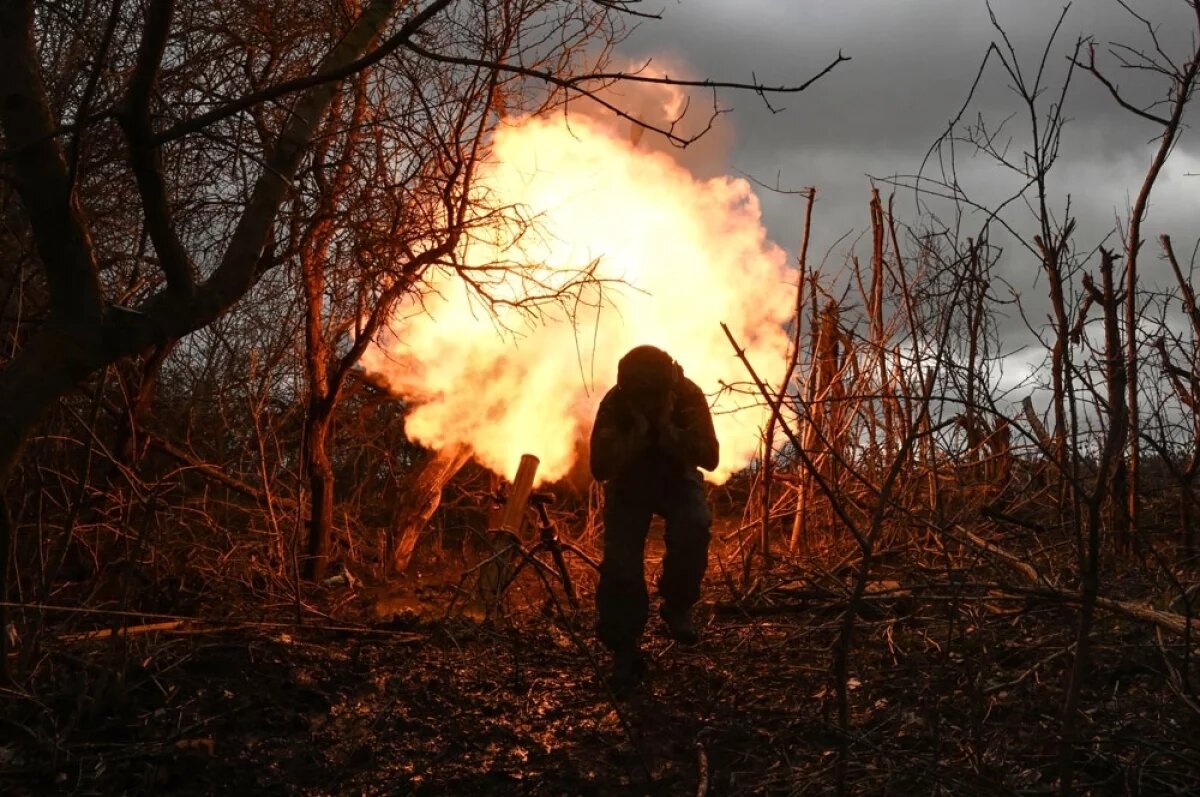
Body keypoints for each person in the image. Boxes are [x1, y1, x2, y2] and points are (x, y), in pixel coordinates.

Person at [589, 345, 720, 689]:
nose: (645, 399)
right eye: (639, 395)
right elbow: (599, 466)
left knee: (694, 524)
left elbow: (709, 456)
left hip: (676, 477)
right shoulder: (616, 402)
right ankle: (624, 648)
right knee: (620, 563)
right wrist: (638, 433)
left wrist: (666, 430)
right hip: (628, 484)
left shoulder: (687, 395)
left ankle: (677, 603)